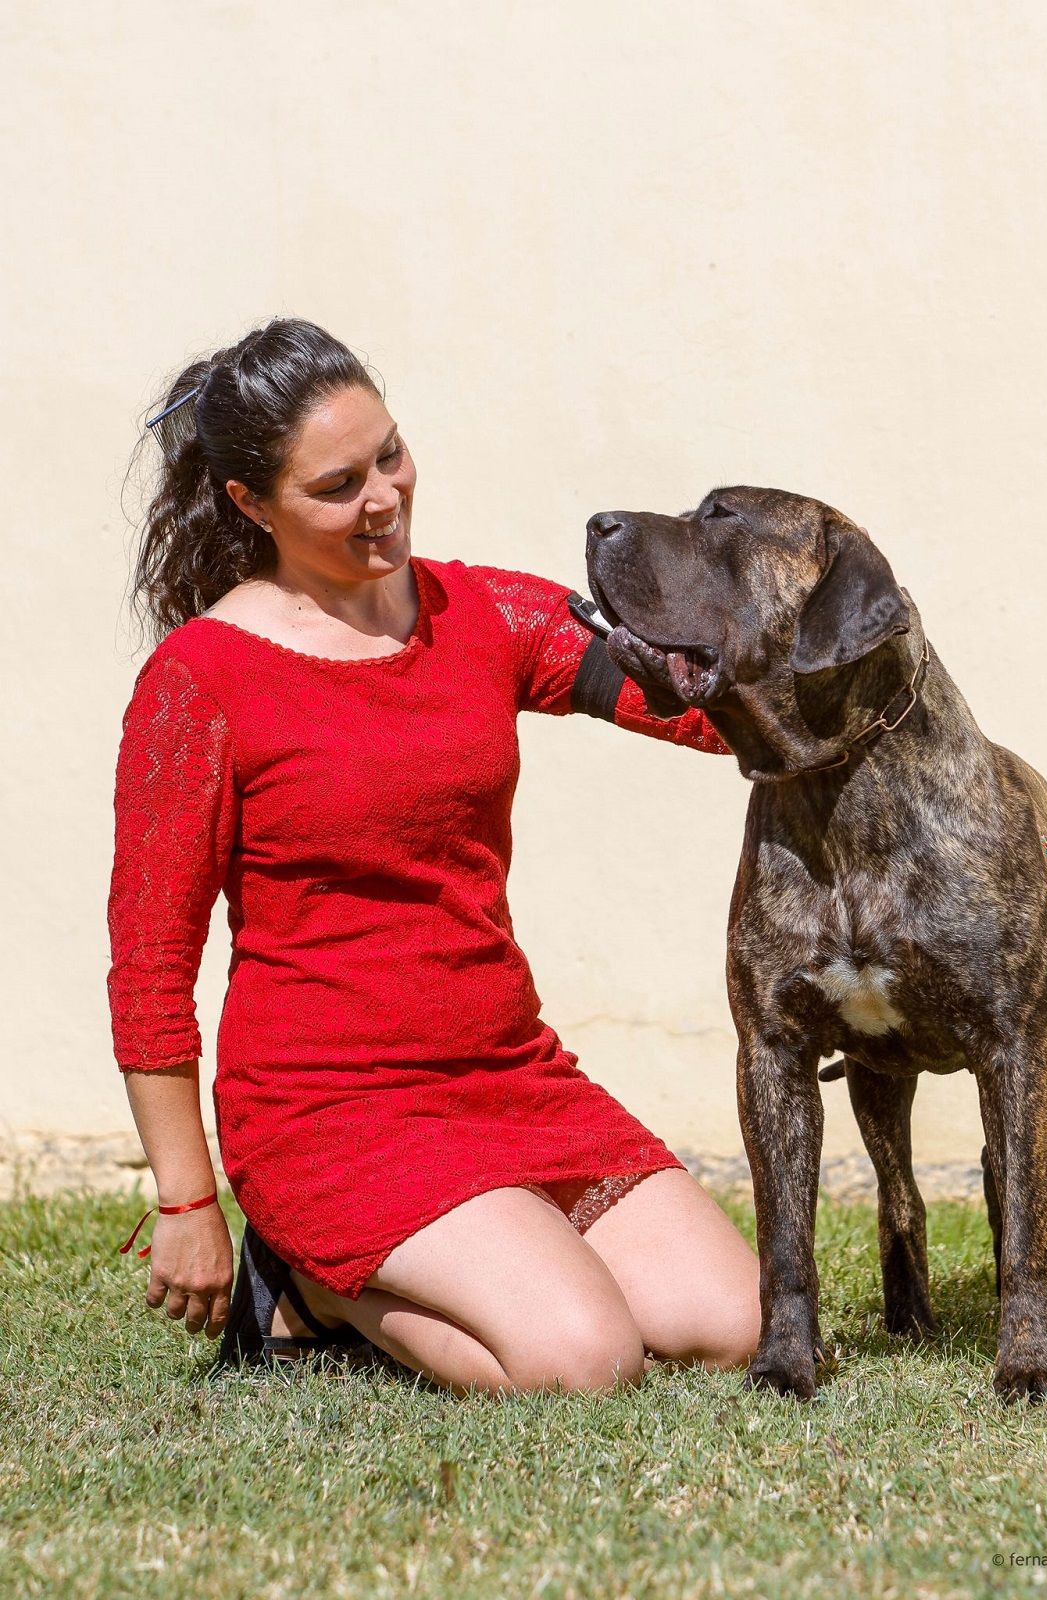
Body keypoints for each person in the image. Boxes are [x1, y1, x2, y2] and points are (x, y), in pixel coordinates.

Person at [108, 318, 760, 1395]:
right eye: (337, 485)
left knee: (733, 1321)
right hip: (329, 1107)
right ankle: (306, 1284)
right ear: (249, 505)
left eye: (390, 455)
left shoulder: (476, 611)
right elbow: (148, 968)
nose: (384, 497)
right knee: (586, 1360)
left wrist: (841, 706)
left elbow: (683, 699)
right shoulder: (200, 681)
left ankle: (464, 1258)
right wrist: (186, 1200)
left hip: (507, 1072)